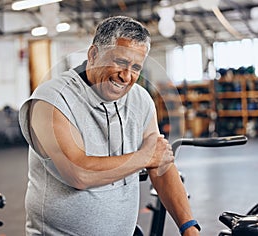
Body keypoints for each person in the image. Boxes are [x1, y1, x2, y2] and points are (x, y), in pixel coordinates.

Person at [19, 16, 200, 236]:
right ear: (93, 55)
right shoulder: (51, 100)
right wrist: (145, 157)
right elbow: (78, 173)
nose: (126, 76)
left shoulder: (140, 100)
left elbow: (160, 165)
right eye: (121, 63)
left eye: (136, 67)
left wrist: (188, 226)